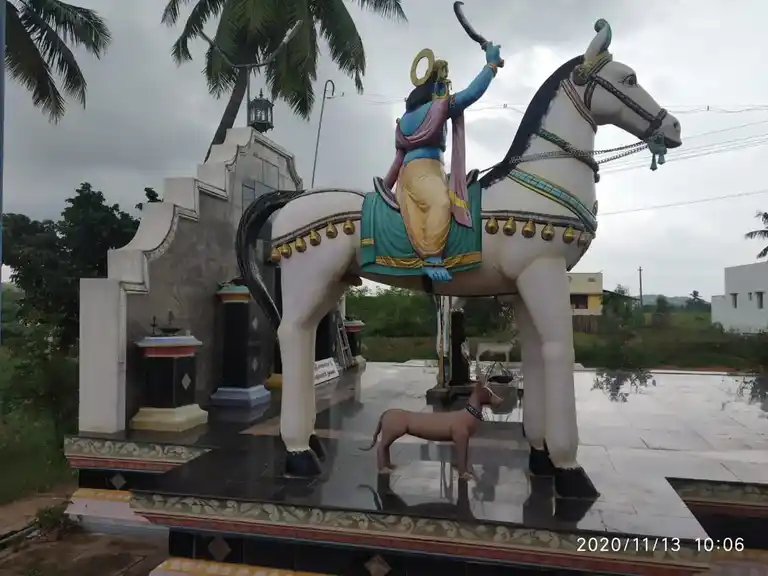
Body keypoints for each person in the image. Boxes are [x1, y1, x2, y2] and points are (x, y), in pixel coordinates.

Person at [383, 43, 503, 282]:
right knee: (440, 202)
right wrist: (490, 65)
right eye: (444, 81)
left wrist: (386, 186)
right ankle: (431, 257)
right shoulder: (435, 108)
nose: (447, 86)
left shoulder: (408, 118)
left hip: (429, 171)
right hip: (421, 172)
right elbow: (471, 94)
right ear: (434, 85)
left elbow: (397, 160)